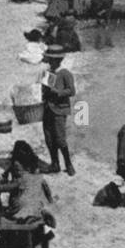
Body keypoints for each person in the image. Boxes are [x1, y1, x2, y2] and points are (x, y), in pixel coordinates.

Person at [2, 141, 55, 248]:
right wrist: (50, 198)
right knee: (42, 223)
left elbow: (8, 186)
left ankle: (12, 245)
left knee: (13, 209)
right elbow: (45, 185)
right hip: (35, 205)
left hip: (21, 207)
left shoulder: (18, 174)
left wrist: (2, 182)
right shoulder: (35, 171)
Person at [40, 46, 77, 175]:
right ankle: (54, 163)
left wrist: (58, 92)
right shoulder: (48, 72)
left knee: (60, 138)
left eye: (51, 60)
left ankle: (68, 164)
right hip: (48, 109)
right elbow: (44, 91)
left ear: (58, 60)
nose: (50, 62)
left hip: (60, 110)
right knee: (49, 137)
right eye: (49, 59)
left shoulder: (65, 73)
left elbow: (72, 91)